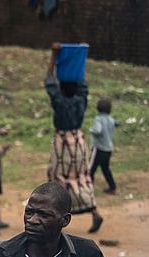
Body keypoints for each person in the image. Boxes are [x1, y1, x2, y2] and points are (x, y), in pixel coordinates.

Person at [45, 44, 103, 233]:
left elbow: (49, 80)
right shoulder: (81, 99)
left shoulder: (59, 101)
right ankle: (94, 212)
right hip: (79, 141)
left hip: (63, 142)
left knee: (58, 179)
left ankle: (56, 219)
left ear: (61, 88)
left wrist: (53, 56)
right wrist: (79, 61)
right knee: (81, 178)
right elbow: (82, 82)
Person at [89, 98, 117, 195]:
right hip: (108, 149)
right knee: (105, 168)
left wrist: (91, 130)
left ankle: (89, 189)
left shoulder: (98, 119)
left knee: (90, 170)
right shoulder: (111, 119)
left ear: (98, 109)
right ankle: (112, 187)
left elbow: (97, 130)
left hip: (99, 149)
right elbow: (115, 124)